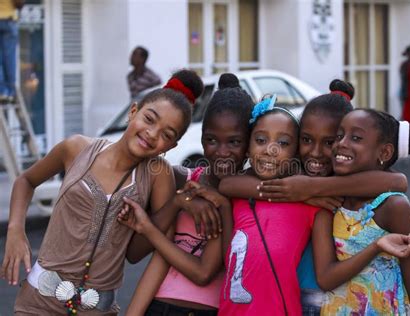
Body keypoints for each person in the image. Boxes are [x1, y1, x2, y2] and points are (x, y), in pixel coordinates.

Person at [1, 69, 203, 315]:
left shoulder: (158, 175)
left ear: (171, 146)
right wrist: (15, 230)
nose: (152, 134)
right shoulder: (77, 149)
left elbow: (136, 253)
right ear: (133, 112)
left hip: (98, 308)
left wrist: (167, 209)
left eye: (166, 135)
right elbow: (26, 180)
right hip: (38, 301)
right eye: (149, 119)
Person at [220, 80, 410, 316]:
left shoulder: (347, 175)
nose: (315, 152)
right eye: (307, 139)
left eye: (330, 142)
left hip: (346, 300)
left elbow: (399, 182)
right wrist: (292, 194)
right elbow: (230, 184)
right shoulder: (296, 171)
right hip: (297, 296)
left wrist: (313, 187)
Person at [119, 73, 254, 316]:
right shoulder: (180, 179)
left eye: (234, 142)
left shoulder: (247, 195)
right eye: (212, 140)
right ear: (201, 139)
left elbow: (204, 274)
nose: (221, 151)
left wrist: (149, 228)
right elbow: (134, 253)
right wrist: (177, 203)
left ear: (249, 144)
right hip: (158, 307)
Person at [315, 109, 410, 315]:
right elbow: (326, 278)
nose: (342, 143)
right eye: (339, 136)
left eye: (356, 138)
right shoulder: (329, 204)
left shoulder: (394, 207)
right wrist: (375, 247)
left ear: (384, 153)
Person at [0, 0, 24, 103]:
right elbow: (20, 3)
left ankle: (2, 91)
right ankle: (10, 91)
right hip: (10, 20)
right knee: (9, 58)